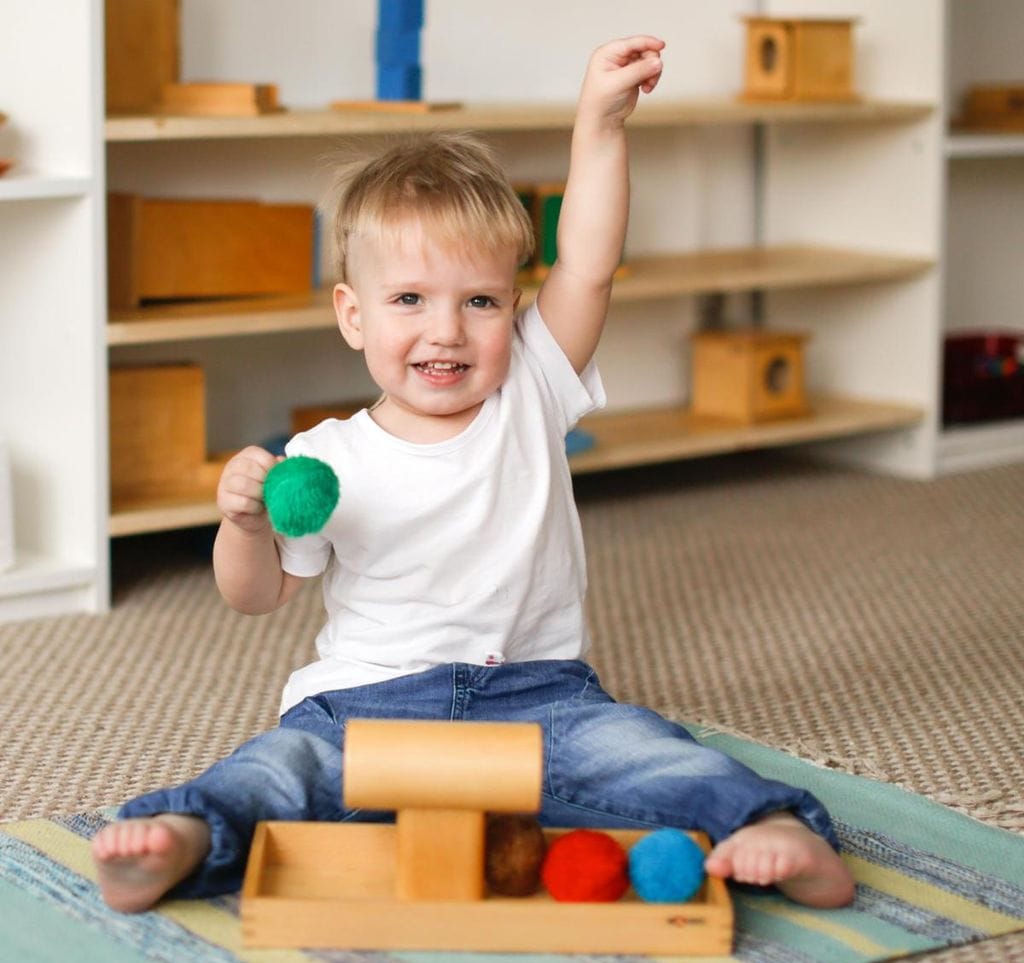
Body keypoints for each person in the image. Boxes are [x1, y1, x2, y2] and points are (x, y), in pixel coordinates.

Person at [92, 36, 854, 914]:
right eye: (410, 299)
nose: (446, 330)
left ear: (515, 308)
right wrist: (243, 526)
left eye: (479, 301)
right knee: (278, 769)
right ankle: (183, 836)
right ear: (353, 314)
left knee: (654, 755)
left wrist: (598, 124)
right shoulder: (323, 458)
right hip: (364, 704)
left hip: (539, 695)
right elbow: (255, 597)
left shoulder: (532, 386)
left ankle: (778, 829)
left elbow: (590, 264)